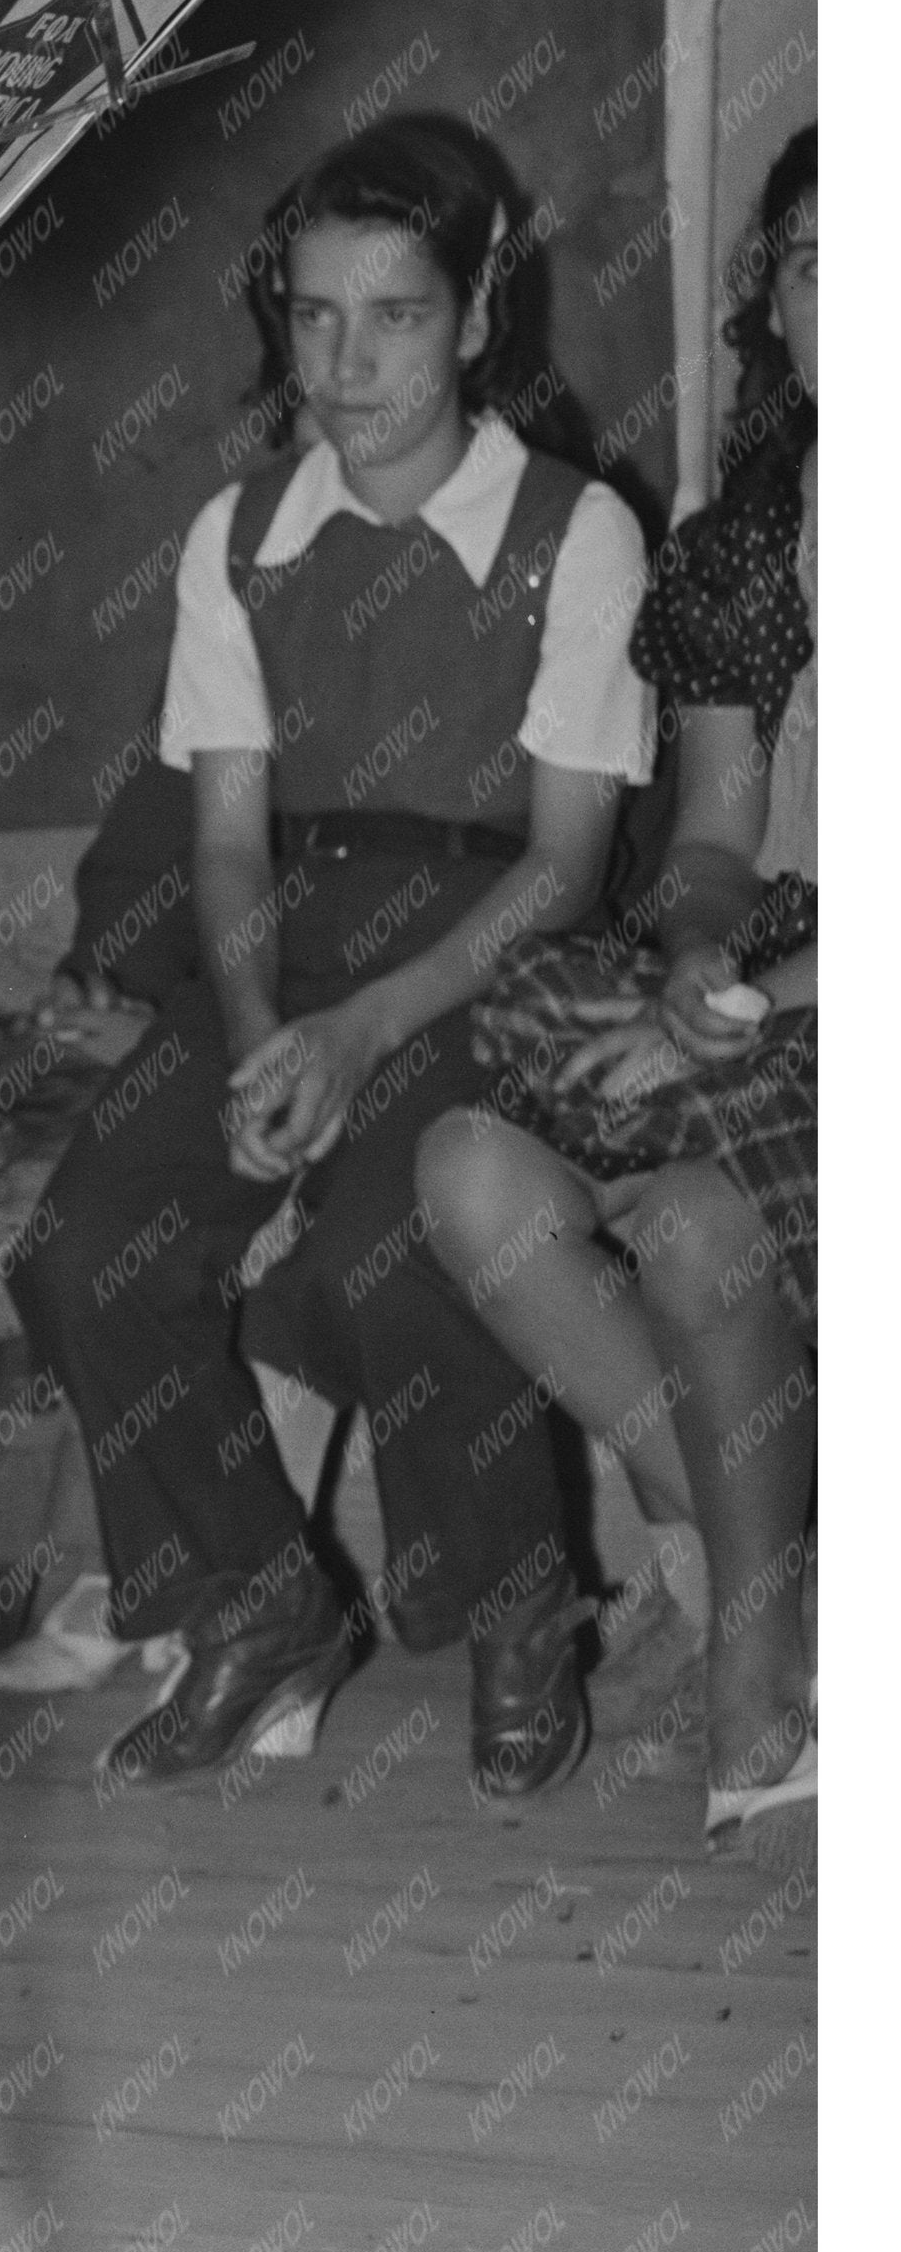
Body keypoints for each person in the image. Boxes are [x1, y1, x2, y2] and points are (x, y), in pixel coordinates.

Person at [8, 110, 650, 1800]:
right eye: (311, 315)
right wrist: (246, 1037)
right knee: (84, 1240)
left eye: (395, 316)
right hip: (278, 955)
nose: (347, 361)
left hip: (476, 960)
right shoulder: (233, 539)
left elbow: (567, 861)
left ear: (476, 313)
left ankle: (521, 1611)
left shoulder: (574, 533)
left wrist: (364, 1034)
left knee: (388, 1236)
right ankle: (259, 1593)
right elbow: (225, 837)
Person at [418, 132, 817, 1828]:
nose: (838, 291)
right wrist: (699, 952)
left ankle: (753, 1646)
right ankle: (740, 1551)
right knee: (465, 1165)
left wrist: (773, 998)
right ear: (771, 315)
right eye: (805, 261)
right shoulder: (747, 552)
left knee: (686, 1223)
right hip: (792, 970)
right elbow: (717, 836)